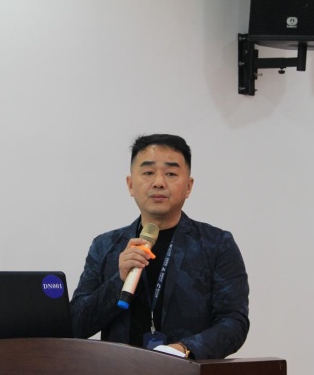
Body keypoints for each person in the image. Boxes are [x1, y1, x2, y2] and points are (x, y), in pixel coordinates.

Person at [70, 134, 249, 359]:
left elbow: (234, 323)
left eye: (171, 173)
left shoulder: (216, 244)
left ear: (188, 186)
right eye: (148, 172)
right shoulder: (105, 246)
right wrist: (118, 281)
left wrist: (184, 350)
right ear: (130, 185)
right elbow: (75, 325)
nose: (159, 182)